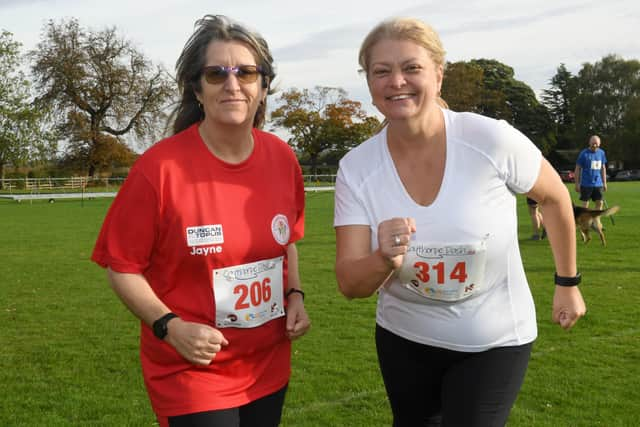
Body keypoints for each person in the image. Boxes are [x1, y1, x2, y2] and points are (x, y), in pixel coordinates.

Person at [333, 17, 586, 426]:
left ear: (438, 72)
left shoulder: (490, 140)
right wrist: (383, 257)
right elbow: (349, 283)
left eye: (411, 68)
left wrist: (567, 284)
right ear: (370, 83)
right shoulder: (357, 168)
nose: (396, 81)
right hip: (404, 338)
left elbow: (556, 197)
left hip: (494, 340)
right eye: (382, 71)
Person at [91, 14, 310, 427]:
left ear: (263, 86)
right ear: (197, 87)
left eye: (246, 73)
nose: (232, 84)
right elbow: (122, 267)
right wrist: (169, 327)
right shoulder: (158, 169)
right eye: (216, 74)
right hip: (191, 371)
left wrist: (295, 294)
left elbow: (287, 241)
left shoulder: (282, 159)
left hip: (267, 365)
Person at [575, 134, 608, 211]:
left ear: (599, 144)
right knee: (585, 205)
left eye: (596, 143)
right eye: (593, 143)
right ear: (589, 143)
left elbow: (603, 168)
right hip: (586, 184)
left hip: (598, 184)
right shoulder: (584, 154)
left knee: (600, 203)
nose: (594, 145)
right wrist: (577, 184)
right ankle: (585, 221)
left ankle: (595, 221)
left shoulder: (602, 153)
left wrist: (604, 183)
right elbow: (577, 168)